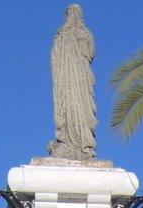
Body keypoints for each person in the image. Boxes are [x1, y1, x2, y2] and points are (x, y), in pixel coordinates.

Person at [48, 4, 96, 161]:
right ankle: (66, 142)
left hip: (79, 78)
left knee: (80, 107)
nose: (72, 16)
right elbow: (55, 56)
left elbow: (89, 53)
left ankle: (82, 145)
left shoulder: (85, 33)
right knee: (66, 106)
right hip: (65, 78)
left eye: (74, 13)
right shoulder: (61, 33)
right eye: (69, 13)